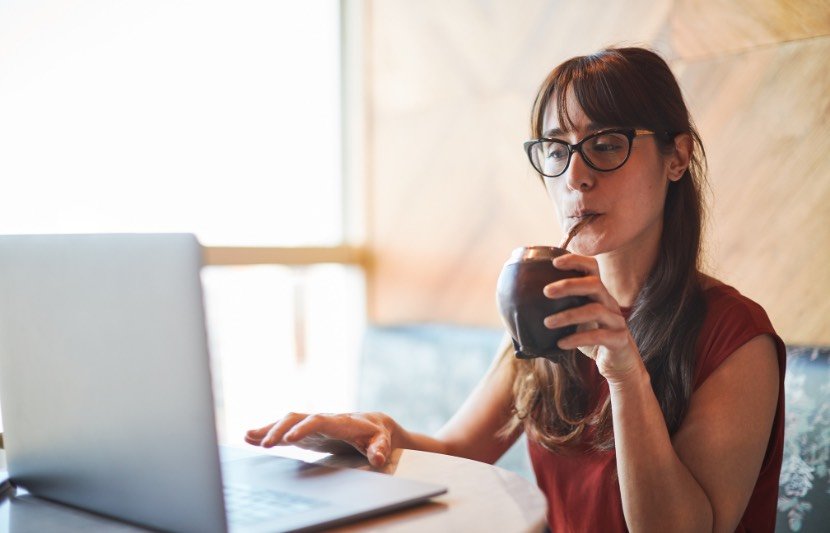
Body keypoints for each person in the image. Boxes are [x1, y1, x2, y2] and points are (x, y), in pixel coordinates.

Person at [246, 47, 785, 532]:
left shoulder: (737, 339)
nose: (575, 176)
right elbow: (459, 449)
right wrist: (371, 431)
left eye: (605, 144)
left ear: (677, 157)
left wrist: (623, 370)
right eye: (556, 150)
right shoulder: (551, 305)